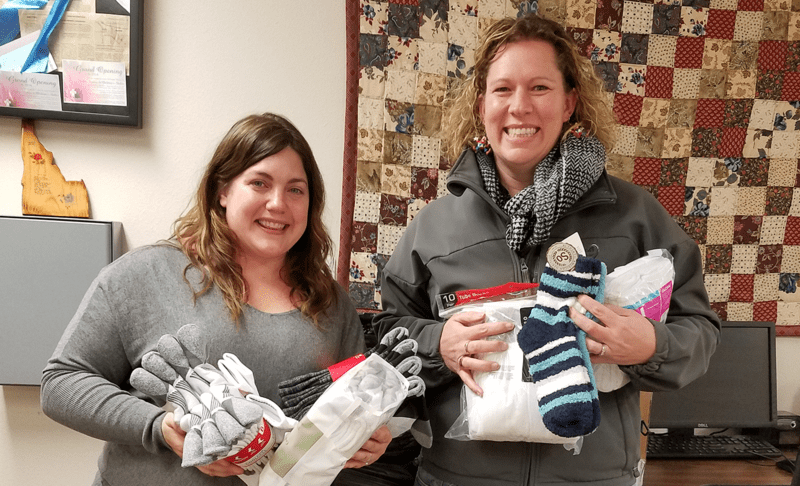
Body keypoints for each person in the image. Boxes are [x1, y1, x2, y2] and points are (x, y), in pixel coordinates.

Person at [373, 13, 721, 486]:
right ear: (481, 105)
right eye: (502, 90)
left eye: (539, 88)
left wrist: (651, 346)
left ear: (569, 103)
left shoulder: (636, 215)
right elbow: (389, 334)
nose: (520, 107)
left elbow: (698, 330)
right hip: (457, 478)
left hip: (597, 478)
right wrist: (441, 344)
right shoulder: (433, 229)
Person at [40, 112, 391, 485]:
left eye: (295, 189)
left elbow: (344, 411)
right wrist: (159, 428)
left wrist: (362, 438)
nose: (278, 203)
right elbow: (61, 383)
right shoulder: (146, 274)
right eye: (259, 183)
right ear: (222, 191)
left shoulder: (332, 305)